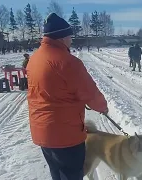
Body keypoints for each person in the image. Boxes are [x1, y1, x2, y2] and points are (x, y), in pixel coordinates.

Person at [26, 13, 108, 180]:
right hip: (65, 135)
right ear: (62, 37)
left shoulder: (34, 59)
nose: (71, 40)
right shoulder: (68, 62)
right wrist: (103, 108)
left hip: (42, 132)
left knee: (57, 173)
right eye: (70, 36)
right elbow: (90, 93)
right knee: (71, 175)